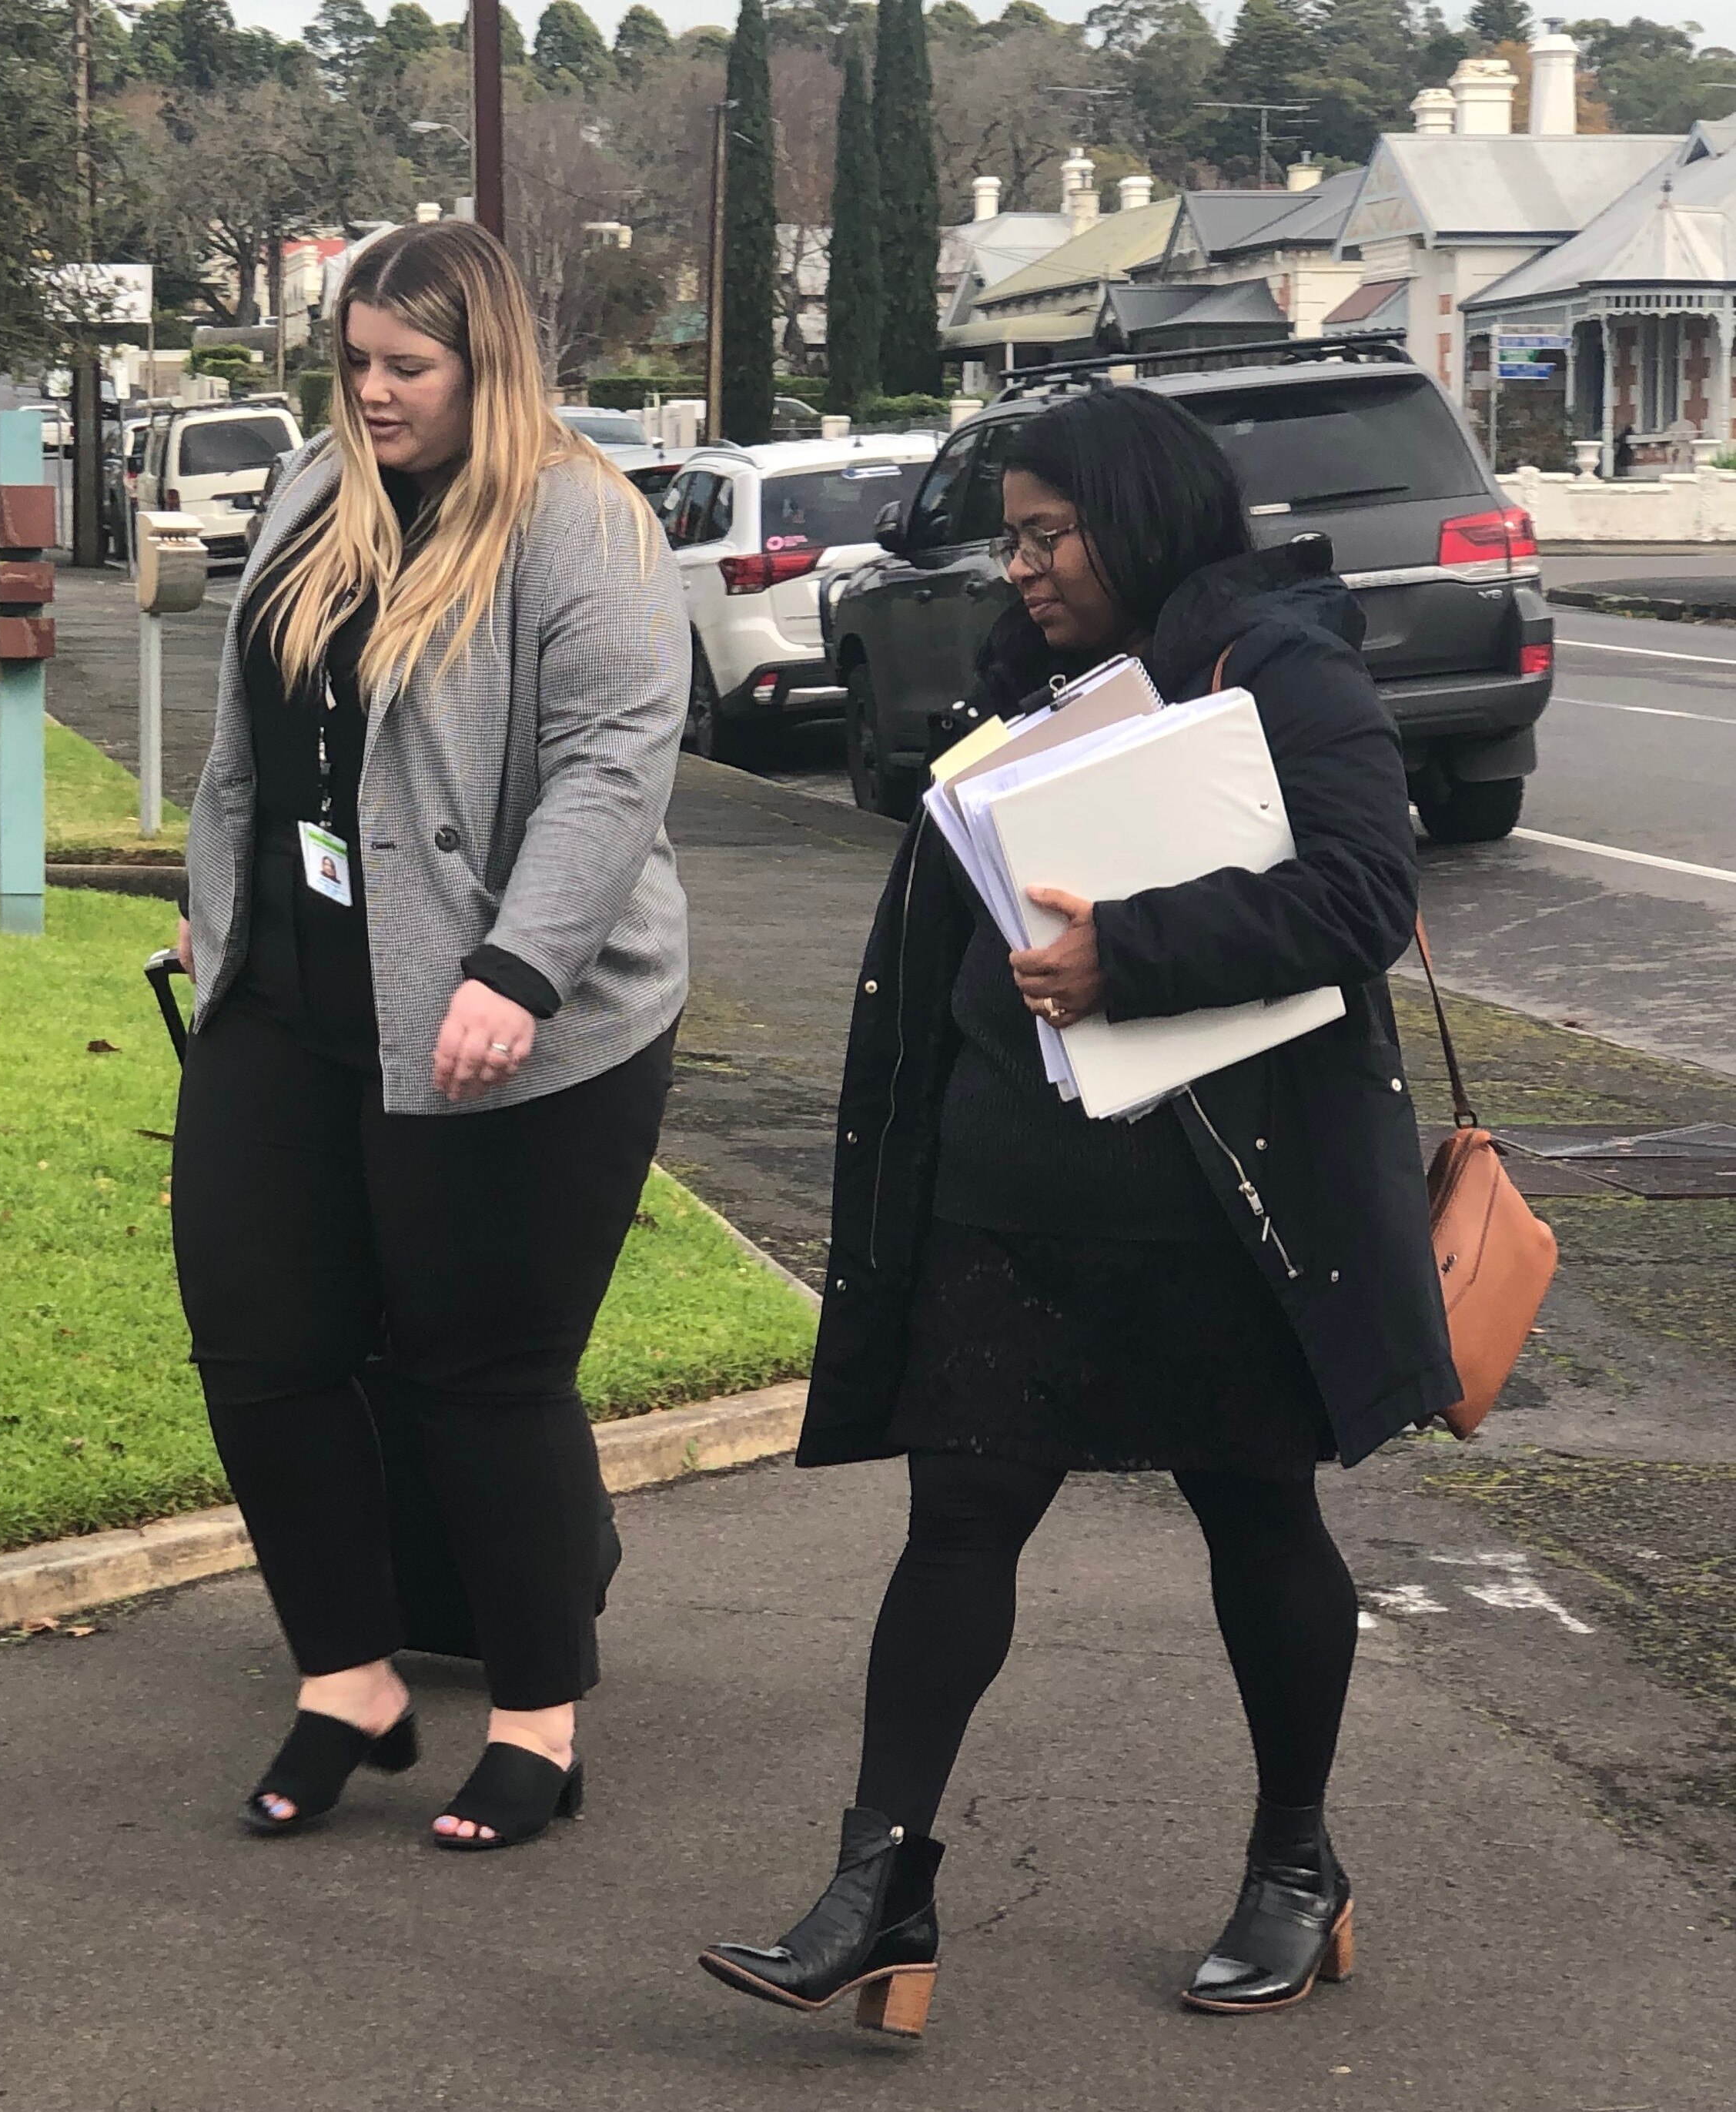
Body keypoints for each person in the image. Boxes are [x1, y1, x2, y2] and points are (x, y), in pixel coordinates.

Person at [698, 390, 1457, 2035]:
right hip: (1008, 1188)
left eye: (1049, 535)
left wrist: (1132, 951)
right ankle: (879, 1887)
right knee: (958, 1518)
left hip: (1218, 1202)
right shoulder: (1022, 677)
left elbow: (1359, 896)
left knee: (1257, 1516)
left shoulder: (1281, 668)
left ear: (1142, 519)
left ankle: (1296, 1864)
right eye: (1012, 538)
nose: (1022, 566)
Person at [169, 220, 689, 1851]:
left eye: (409, 367)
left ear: (489, 364)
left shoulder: (579, 520)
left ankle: (539, 1716)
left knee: (483, 1371)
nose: (374, 393)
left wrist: (516, 971)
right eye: (355, 363)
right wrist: (217, 909)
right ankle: (350, 1679)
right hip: (291, 994)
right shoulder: (317, 490)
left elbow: (614, 762)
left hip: (511, 1012)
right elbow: (260, 741)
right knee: (259, 1346)